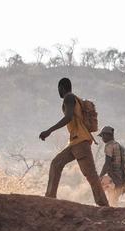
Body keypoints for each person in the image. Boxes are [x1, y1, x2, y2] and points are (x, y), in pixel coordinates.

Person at [40, 77, 108, 206]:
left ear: (61, 88)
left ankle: (104, 205)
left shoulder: (69, 98)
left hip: (81, 142)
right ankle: (49, 198)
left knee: (91, 175)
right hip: (75, 142)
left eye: (58, 89)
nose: (58, 92)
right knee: (56, 164)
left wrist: (49, 130)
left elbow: (68, 117)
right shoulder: (74, 98)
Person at [98, 126, 125, 206]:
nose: (102, 138)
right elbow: (123, 164)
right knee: (114, 200)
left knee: (99, 185)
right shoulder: (120, 146)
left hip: (113, 177)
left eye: (103, 136)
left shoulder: (109, 146)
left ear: (108, 135)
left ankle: (103, 206)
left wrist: (100, 176)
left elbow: (107, 163)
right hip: (122, 177)